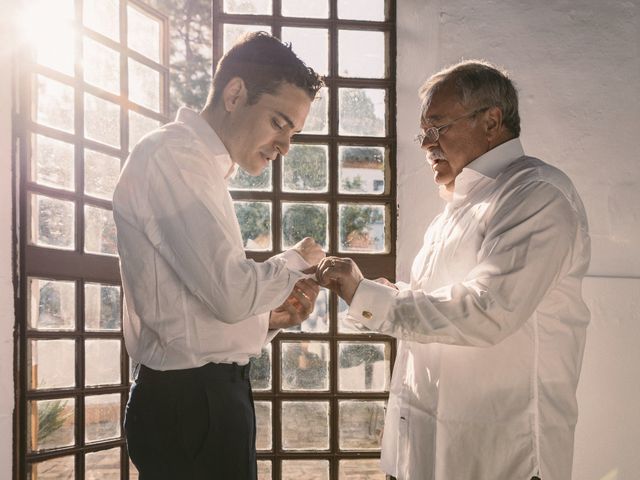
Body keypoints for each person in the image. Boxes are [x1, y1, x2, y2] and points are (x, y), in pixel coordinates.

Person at [317, 60, 590, 480]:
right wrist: (395, 291)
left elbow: (487, 311)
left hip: (500, 459)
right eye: (423, 132)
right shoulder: (458, 207)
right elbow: (447, 302)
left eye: (437, 127)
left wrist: (372, 298)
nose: (426, 144)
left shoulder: (537, 195)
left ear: (492, 121)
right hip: (426, 454)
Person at [113, 32, 325, 480]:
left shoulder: (196, 165)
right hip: (191, 409)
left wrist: (268, 320)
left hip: (202, 403)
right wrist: (296, 261)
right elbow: (229, 293)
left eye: (294, 133)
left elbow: (188, 314)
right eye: (280, 123)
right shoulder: (173, 157)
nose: (285, 146)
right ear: (235, 94)